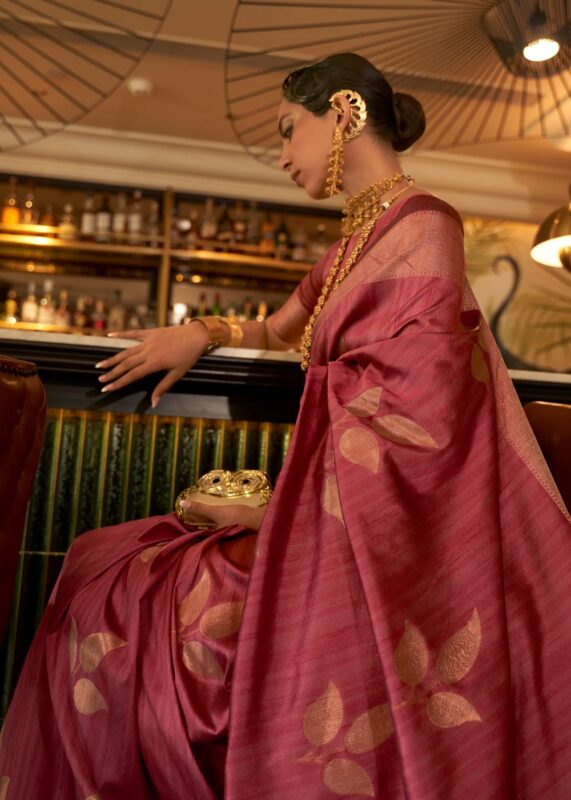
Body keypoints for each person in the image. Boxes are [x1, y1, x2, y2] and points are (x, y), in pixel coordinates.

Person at [1, 52, 570, 800]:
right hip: (326, 500)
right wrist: (201, 330)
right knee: (99, 559)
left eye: (286, 131)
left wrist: (268, 512)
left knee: (135, 588)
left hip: (371, 527)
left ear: (342, 113)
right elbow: (275, 330)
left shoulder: (426, 226)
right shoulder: (347, 247)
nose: (279, 155)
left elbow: (417, 421)